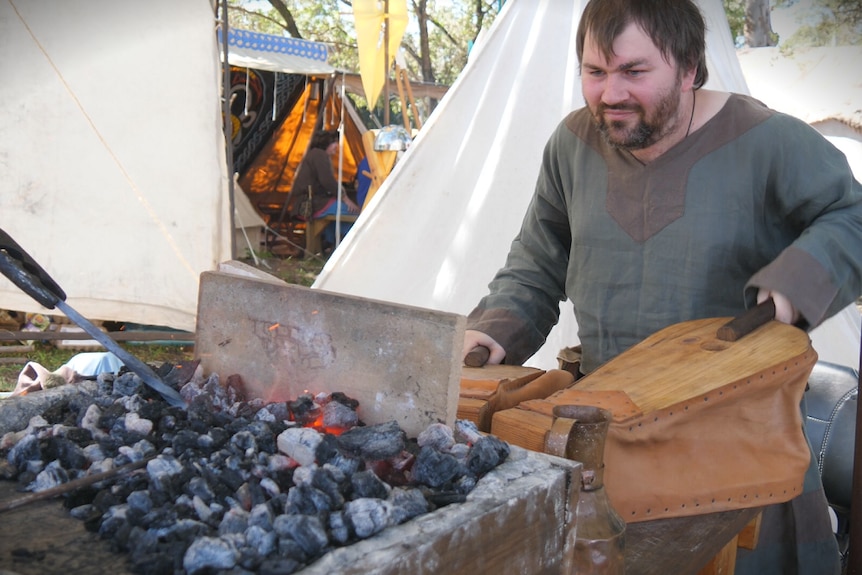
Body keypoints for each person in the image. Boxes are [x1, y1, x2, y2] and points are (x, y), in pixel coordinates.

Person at [462, 0, 862, 573]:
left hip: (742, 449)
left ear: (690, 68)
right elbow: (535, 263)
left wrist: (801, 277)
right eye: (595, 72)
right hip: (605, 438)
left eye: (634, 71)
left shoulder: (770, 141)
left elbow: (853, 216)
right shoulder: (572, 145)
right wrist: (495, 330)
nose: (609, 93)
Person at [291, 130, 360, 249]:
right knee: (354, 213)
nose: (336, 146)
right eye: (334, 143)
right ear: (326, 143)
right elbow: (327, 181)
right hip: (311, 203)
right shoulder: (319, 155)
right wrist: (345, 198)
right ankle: (353, 244)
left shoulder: (316, 154)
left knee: (339, 217)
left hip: (314, 201)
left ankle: (329, 242)